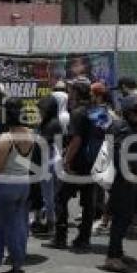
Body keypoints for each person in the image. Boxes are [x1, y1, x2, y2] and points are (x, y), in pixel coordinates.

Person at [0, 98, 34, 273]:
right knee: (18, 224)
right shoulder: (30, 134)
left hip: (6, 186)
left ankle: (2, 264)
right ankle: (9, 264)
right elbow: (23, 161)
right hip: (23, 183)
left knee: (4, 225)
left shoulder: (6, 139)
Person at [44, 81, 97, 250]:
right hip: (93, 163)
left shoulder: (77, 113)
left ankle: (60, 237)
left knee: (60, 198)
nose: (69, 94)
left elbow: (76, 139)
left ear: (76, 93)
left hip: (77, 163)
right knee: (88, 202)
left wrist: (66, 160)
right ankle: (84, 237)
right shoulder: (98, 110)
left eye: (71, 91)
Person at [101, 95, 137, 273]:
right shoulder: (121, 126)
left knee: (123, 217)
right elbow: (119, 153)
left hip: (128, 179)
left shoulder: (127, 125)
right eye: (135, 110)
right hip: (123, 180)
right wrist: (128, 175)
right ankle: (112, 257)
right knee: (121, 218)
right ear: (127, 110)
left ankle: (117, 252)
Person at [31, 94, 63, 235]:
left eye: (42, 109)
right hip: (44, 163)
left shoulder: (53, 124)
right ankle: (44, 221)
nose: (39, 112)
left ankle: (51, 225)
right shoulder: (45, 122)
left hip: (49, 164)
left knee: (49, 197)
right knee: (45, 195)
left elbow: (46, 143)